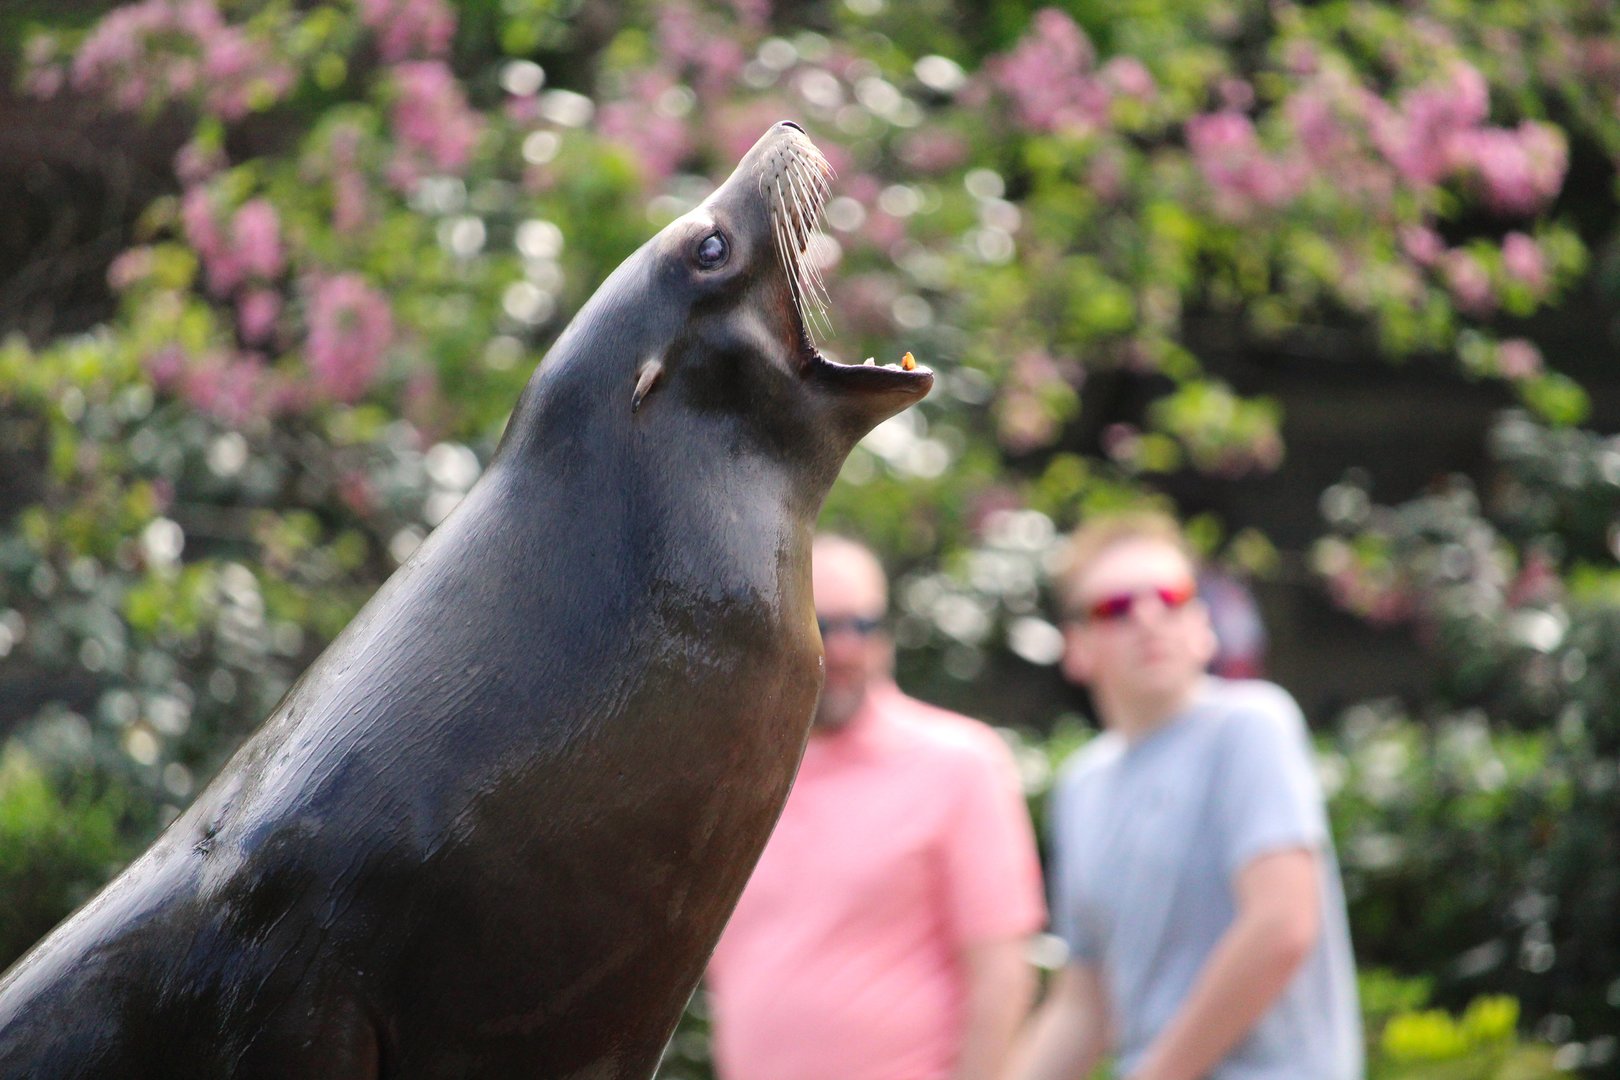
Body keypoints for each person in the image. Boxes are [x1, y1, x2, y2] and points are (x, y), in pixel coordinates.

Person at [1012, 511, 1361, 1080]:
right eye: (1116, 608)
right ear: (1076, 648)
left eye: (1170, 597)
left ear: (1203, 625)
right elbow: (1084, 1002)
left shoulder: (1252, 724)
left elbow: (1282, 924)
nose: (1149, 617)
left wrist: (1154, 1073)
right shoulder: (1082, 786)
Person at [706, 533, 1047, 1080]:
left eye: (862, 627)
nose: (843, 649)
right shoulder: (736, 783)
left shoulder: (960, 763)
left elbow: (1003, 976)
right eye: (821, 626)